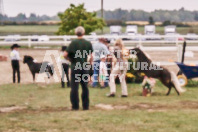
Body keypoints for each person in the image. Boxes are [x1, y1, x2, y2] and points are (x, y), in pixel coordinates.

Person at [64, 26, 93, 110]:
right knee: (85, 87)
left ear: (76, 33)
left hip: (75, 67)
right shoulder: (88, 43)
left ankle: (75, 106)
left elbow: (65, 54)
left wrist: (69, 60)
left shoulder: (73, 43)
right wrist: (89, 64)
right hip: (84, 67)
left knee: (74, 88)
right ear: (83, 33)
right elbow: (91, 56)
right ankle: (85, 106)